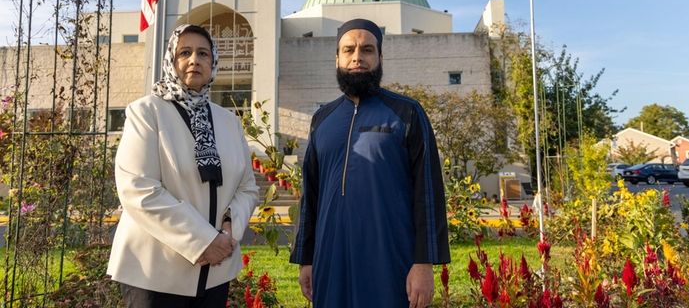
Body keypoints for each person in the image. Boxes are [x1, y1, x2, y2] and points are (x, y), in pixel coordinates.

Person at [290, 18, 450, 308]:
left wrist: (424, 263)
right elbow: (310, 196)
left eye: (367, 50)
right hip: (330, 260)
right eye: (349, 50)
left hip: (390, 260)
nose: (357, 58)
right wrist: (306, 258)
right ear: (336, 58)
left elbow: (427, 192)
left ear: (380, 57)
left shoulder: (406, 112)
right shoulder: (322, 120)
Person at [107, 24, 259, 307]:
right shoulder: (146, 112)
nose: (194, 60)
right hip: (154, 274)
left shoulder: (228, 121)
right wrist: (203, 240)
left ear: (213, 62)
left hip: (215, 273)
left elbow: (247, 188)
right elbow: (138, 188)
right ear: (171, 61)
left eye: (203, 53)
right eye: (184, 52)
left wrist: (228, 229)